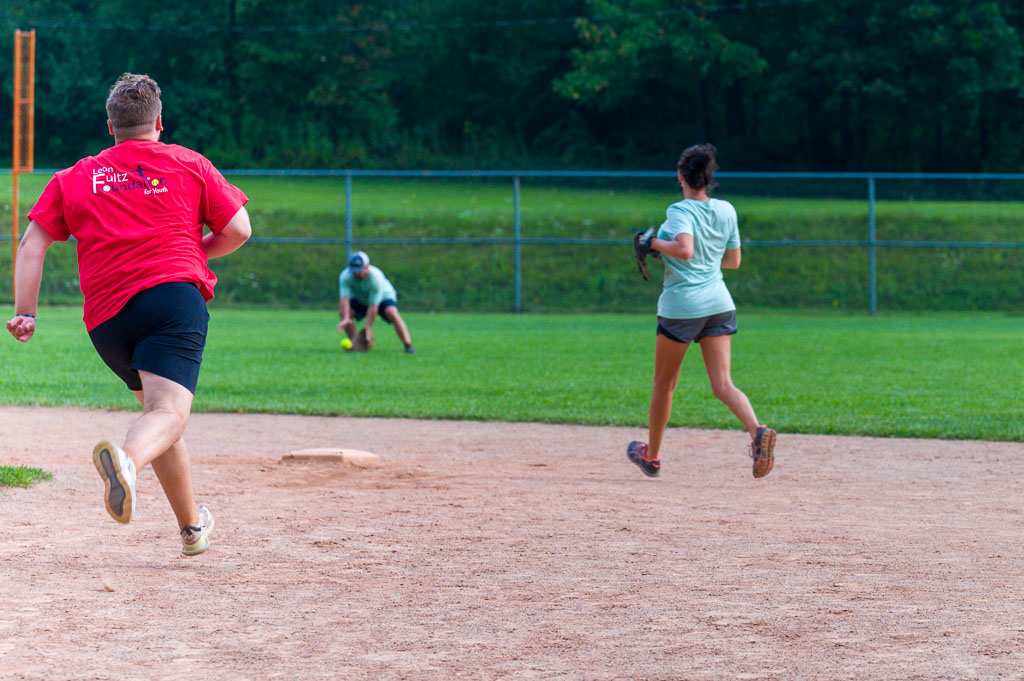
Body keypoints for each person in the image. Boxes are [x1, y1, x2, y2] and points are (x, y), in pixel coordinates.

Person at [6, 73, 251, 555]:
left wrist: (26, 313)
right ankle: (127, 463)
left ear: (110, 126)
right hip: (170, 299)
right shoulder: (187, 162)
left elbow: (31, 245)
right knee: (166, 413)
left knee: (158, 414)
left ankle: (191, 528)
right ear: (159, 121)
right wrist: (195, 253)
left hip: (107, 321)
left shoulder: (75, 176)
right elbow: (239, 229)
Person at [626, 144, 776, 479]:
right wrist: (683, 255)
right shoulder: (726, 210)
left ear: (680, 176)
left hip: (682, 308)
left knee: (664, 385)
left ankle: (651, 456)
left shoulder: (680, 210)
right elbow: (733, 261)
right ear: (709, 178)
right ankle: (758, 431)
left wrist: (652, 244)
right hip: (719, 303)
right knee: (722, 384)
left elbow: (684, 249)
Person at [337, 251, 416, 353]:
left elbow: (373, 306)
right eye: (354, 270)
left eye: (359, 270)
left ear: (366, 268)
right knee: (346, 315)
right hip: (361, 298)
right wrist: (346, 318)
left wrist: (367, 327)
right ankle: (355, 344)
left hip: (384, 297)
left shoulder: (376, 278)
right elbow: (344, 299)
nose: (356, 273)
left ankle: (408, 345)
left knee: (391, 313)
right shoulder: (345, 276)